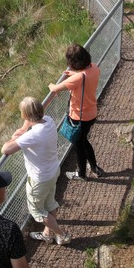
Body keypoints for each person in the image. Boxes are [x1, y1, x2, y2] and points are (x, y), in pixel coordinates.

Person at [1, 97, 71, 246]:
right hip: (53, 171)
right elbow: (33, 119)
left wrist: (15, 136)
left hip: (39, 179)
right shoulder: (49, 121)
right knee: (50, 203)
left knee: (38, 212)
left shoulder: (32, 135)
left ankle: (62, 235)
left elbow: (5, 149)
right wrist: (24, 128)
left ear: (25, 115)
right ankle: (47, 234)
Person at [48, 44, 106, 181]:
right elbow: (84, 76)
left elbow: (54, 88)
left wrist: (50, 85)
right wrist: (75, 74)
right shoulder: (95, 68)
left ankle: (81, 174)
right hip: (91, 113)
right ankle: (94, 168)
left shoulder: (78, 79)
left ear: (72, 62)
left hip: (79, 118)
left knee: (79, 146)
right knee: (84, 141)